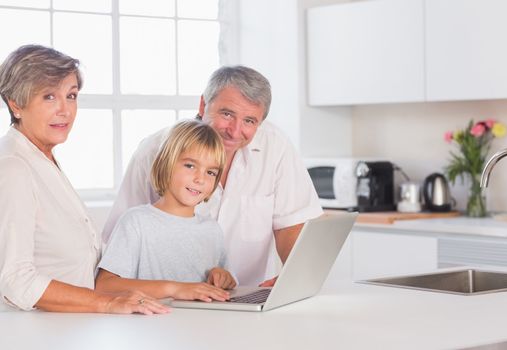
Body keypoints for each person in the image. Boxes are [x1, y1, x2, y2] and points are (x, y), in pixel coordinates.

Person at [102, 66, 323, 286]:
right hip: (158, 304)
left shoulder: (276, 147)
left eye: (249, 121)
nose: (235, 131)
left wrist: (294, 279)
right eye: (227, 114)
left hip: (241, 297)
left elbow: (293, 223)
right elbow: (117, 251)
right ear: (203, 105)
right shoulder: (155, 150)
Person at [0, 44, 168, 314]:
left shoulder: (42, 158)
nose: (65, 110)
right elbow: (15, 280)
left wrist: (176, 285)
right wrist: (109, 303)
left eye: (71, 95)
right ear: (16, 103)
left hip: (73, 327)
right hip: (35, 334)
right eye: (49, 97)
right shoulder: (12, 167)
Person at [95, 120, 236, 301]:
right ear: (166, 163)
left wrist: (223, 277)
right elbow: (105, 285)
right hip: (151, 325)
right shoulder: (136, 222)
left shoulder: (212, 230)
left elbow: (226, 282)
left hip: (201, 326)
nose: (200, 179)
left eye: (210, 172)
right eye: (190, 166)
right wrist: (175, 288)